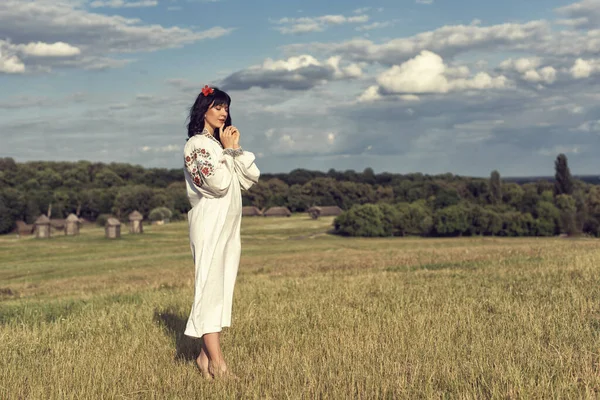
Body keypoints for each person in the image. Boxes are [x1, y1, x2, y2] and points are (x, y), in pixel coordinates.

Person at [182, 85, 260, 379]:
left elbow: (250, 177)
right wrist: (227, 152)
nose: (223, 113)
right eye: (217, 107)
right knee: (209, 289)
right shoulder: (196, 146)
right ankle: (219, 365)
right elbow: (218, 183)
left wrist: (234, 149)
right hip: (209, 222)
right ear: (203, 110)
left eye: (226, 107)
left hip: (228, 225)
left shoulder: (218, 146)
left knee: (221, 288)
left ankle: (204, 359)